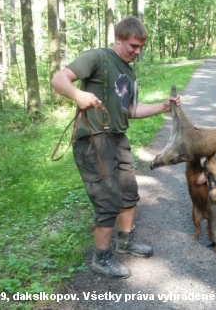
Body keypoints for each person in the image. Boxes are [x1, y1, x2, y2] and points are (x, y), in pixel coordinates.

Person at [51, 16, 181, 278]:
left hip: (119, 139)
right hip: (94, 141)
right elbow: (59, 79)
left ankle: (126, 241)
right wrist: (78, 95)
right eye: (133, 46)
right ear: (118, 39)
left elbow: (130, 109)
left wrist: (163, 107)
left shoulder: (130, 71)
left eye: (141, 47)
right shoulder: (97, 57)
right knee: (107, 201)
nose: (138, 51)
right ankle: (101, 258)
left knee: (130, 193)